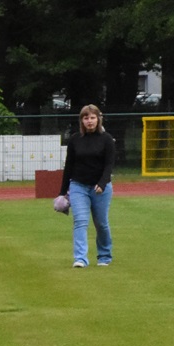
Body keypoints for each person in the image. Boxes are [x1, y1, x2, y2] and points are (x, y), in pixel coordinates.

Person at [59, 104, 116, 267]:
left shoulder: (107, 139)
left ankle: (104, 255)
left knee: (101, 223)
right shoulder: (75, 140)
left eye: (92, 117)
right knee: (80, 221)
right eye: (86, 118)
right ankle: (80, 258)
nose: (89, 121)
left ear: (98, 119)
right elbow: (69, 166)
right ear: (81, 121)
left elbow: (109, 165)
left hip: (100, 189)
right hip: (78, 186)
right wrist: (62, 192)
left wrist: (102, 183)